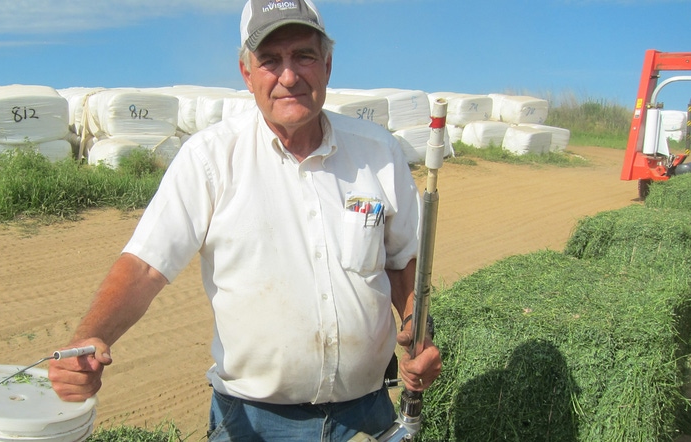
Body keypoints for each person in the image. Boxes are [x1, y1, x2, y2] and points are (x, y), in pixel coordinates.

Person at [49, 0, 442, 439]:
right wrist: (89, 338)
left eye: (304, 56)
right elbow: (144, 265)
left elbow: (403, 259)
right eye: (270, 60)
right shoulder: (211, 159)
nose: (288, 76)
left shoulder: (378, 152)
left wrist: (414, 327)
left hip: (368, 415)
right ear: (246, 74)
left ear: (328, 65)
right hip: (255, 423)